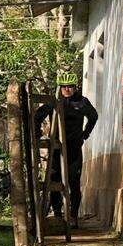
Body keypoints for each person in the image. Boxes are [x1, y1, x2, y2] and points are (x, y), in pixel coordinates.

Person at [35, 71, 97, 229]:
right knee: (54, 182)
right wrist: (38, 134)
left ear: (75, 87)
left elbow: (93, 116)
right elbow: (37, 117)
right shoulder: (54, 102)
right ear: (59, 87)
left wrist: (85, 134)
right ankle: (57, 215)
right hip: (56, 149)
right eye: (64, 87)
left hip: (74, 149)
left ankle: (74, 217)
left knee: (74, 183)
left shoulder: (82, 102)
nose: (67, 89)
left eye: (70, 86)